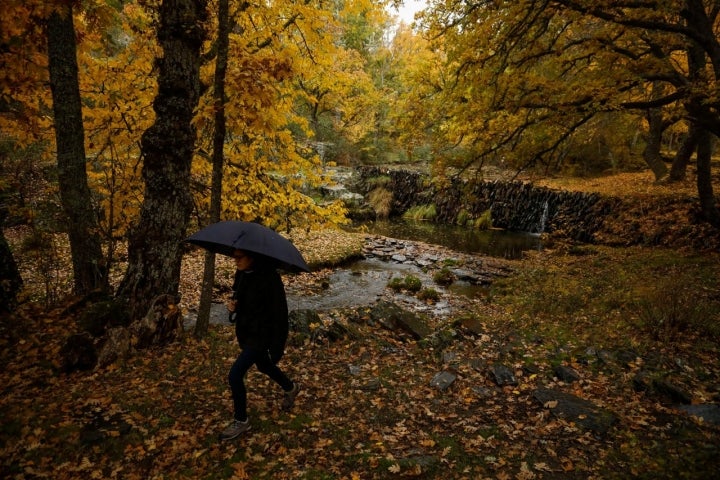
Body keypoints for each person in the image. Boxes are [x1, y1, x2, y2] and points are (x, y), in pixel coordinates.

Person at [219, 249, 300, 441]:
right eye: (234, 256)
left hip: (262, 336)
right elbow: (239, 298)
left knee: (235, 375)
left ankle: (241, 420)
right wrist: (233, 306)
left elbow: (280, 315)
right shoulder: (242, 274)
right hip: (246, 332)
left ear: (252, 257)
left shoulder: (270, 279)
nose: (235, 261)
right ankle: (291, 387)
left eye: (240, 257)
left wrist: (277, 346)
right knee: (263, 365)